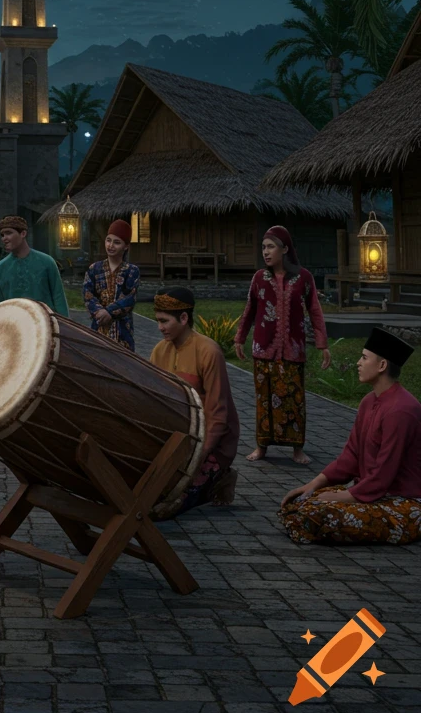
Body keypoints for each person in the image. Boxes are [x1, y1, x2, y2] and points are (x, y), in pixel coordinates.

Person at [280, 328, 421, 545]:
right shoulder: (368, 402)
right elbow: (351, 457)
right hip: (373, 494)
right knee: (299, 503)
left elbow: (383, 474)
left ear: (382, 365)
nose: (358, 362)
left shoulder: (402, 410)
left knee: (316, 514)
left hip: (404, 502)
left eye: (364, 358)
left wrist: (341, 497)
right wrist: (313, 485)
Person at [234, 225, 331, 465]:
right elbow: (249, 310)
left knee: (294, 399)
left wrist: (322, 344)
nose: (265, 252)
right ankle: (261, 447)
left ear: (285, 249)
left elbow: (315, 310)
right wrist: (239, 338)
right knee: (263, 400)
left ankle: (297, 449)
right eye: (263, 248)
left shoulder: (304, 278)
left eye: (270, 247)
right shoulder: (259, 278)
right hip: (264, 349)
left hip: (293, 350)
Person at [149, 288, 240, 513]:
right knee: (144, 493)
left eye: (164, 321)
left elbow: (218, 414)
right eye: (157, 321)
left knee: (169, 504)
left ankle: (221, 477)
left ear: (183, 318)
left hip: (212, 443)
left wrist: (196, 456)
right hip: (177, 438)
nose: (160, 327)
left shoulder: (209, 351)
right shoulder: (159, 351)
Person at [0, 215, 69, 316]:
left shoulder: (46, 262)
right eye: (2, 235)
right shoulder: (0, 268)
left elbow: (58, 297)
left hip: (45, 325)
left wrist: (64, 327)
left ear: (23, 233)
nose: (4, 238)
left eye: (8, 233)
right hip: (14, 326)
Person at [82, 219, 139, 350]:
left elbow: (129, 298)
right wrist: (99, 312)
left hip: (123, 331)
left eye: (117, 242)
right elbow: (87, 294)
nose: (111, 245)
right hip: (98, 327)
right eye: (108, 240)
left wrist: (109, 312)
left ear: (126, 246)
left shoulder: (132, 271)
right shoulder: (94, 269)